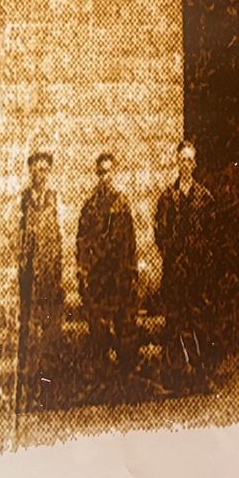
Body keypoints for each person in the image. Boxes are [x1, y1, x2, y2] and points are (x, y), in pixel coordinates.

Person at [154, 140, 217, 389]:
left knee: (200, 322)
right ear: (177, 163)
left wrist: (200, 259)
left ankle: (203, 375)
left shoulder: (205, 198)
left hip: (197, 273)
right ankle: (174, 377)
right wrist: (173, 257)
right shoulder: (167, 197)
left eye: (191, 160)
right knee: (174, 322)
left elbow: (212, 236)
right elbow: (160, 233)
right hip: (174, 272)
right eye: (183, 160)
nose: (187, 165)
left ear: (196, 164)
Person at [76, 151, 139, 380]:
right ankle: (102, 374)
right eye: (101, 172)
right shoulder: (89, 207)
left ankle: (127, 374)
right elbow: (82, 240)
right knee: (99, 326)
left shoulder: (122, 204)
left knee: (125, 324)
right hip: (99, 275)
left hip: (119, 273)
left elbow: (129, 240)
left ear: (115, 173)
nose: (105, 177)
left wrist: (132, 270)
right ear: (97, 174)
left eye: (109, 172)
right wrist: (83, 268)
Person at [16, 147, 64, 399]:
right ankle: (30, 385)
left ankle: (49, 387)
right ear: (31, 171)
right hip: (29, 280)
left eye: (45, 169)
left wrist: (57, 275)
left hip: (50, 277)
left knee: (50, 332)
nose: (41, 174)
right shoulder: (24, 201)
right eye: (37, 169)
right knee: (30, 333)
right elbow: (18, 238)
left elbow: (60, 237)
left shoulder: (55, 199)